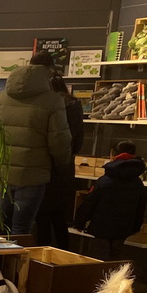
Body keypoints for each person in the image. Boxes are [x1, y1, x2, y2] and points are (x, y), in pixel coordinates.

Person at [0, 53, 71, 236]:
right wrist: (61, 165)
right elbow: (59, 141)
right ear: (47, 75)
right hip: (33, 175)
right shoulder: (53, 101)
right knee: (21, 228)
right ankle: (16, 265)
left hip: (2, 173)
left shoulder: (0, 98)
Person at [75, 140, 147, 260]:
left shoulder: (104, 181)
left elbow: (89, 203)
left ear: (113, 156)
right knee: (115, 264)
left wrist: (79, 223)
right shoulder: (138, 183)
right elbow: (141, 207)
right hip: (124, 229)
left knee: (97, 262)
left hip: (101, 228)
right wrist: (136, 227)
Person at [36, 74, 84, 249]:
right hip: (65, 169)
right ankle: (64, 257)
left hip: (45, 167)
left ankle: (41, 259)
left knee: (42, 218)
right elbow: (77, 142)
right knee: (59, 217)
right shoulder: (75, 106)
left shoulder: (49, 106)